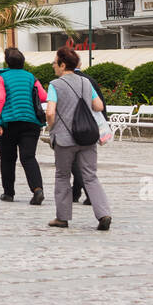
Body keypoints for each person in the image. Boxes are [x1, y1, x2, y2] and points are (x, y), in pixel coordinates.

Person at [45, 47, 112, 231]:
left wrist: (51, 126)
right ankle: (103, 214)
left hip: (64, 139)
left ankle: (62, 217)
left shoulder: (55, 85)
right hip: (87, 137)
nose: (53, 66)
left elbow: (50, 112)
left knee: (62, 176)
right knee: (90, 176)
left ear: (63, 64)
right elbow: (98, 106)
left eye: (55, 62)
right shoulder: (85, 82)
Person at [0, 47, 47, 205]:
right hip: (31, 123)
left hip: (9, 123)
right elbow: (43, 96)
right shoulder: (31, 77)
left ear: (7, 62)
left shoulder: (2, 78)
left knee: (7, 159)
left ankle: (8, 193)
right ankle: (37, 190)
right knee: (28, 157)